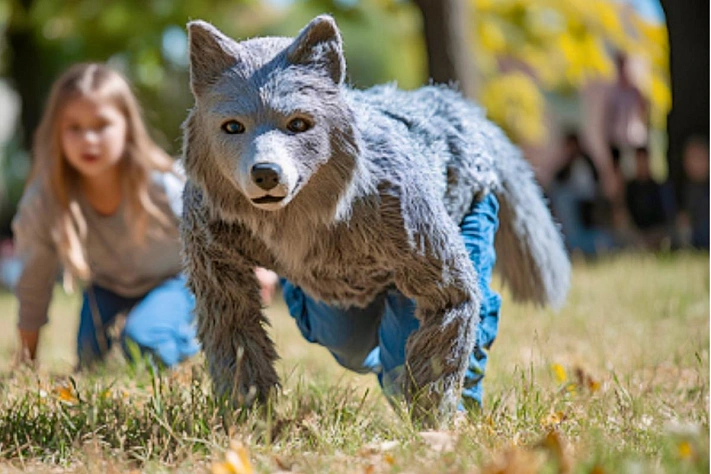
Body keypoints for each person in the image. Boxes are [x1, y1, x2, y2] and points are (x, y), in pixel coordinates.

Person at [12, 63, 277, 369]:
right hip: (108, 286)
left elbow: (219, 220)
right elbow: (34, 281)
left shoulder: (161, 185)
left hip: (173, 279)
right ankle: (136, 329)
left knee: (147, 345)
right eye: (74, 127)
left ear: (126, 126)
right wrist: (26, 360)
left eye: (101, 125)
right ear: (56, 132)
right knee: (88, 358)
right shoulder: (46, 200)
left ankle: (196, 332)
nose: (88, 139)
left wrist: (257, 268)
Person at [281, 193, 501, 411]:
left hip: (445, 198)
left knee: (413, 378)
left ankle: (456, 412)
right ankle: (393, 354)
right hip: (339, 216)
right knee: (348, 343)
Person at [624, 146, 671, 249]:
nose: (642, 164)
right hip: (636, 232)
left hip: (656, 231)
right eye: (639, 161)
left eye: (644, 160)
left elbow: (665, 214)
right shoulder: (630, 188)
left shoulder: (658, 187)